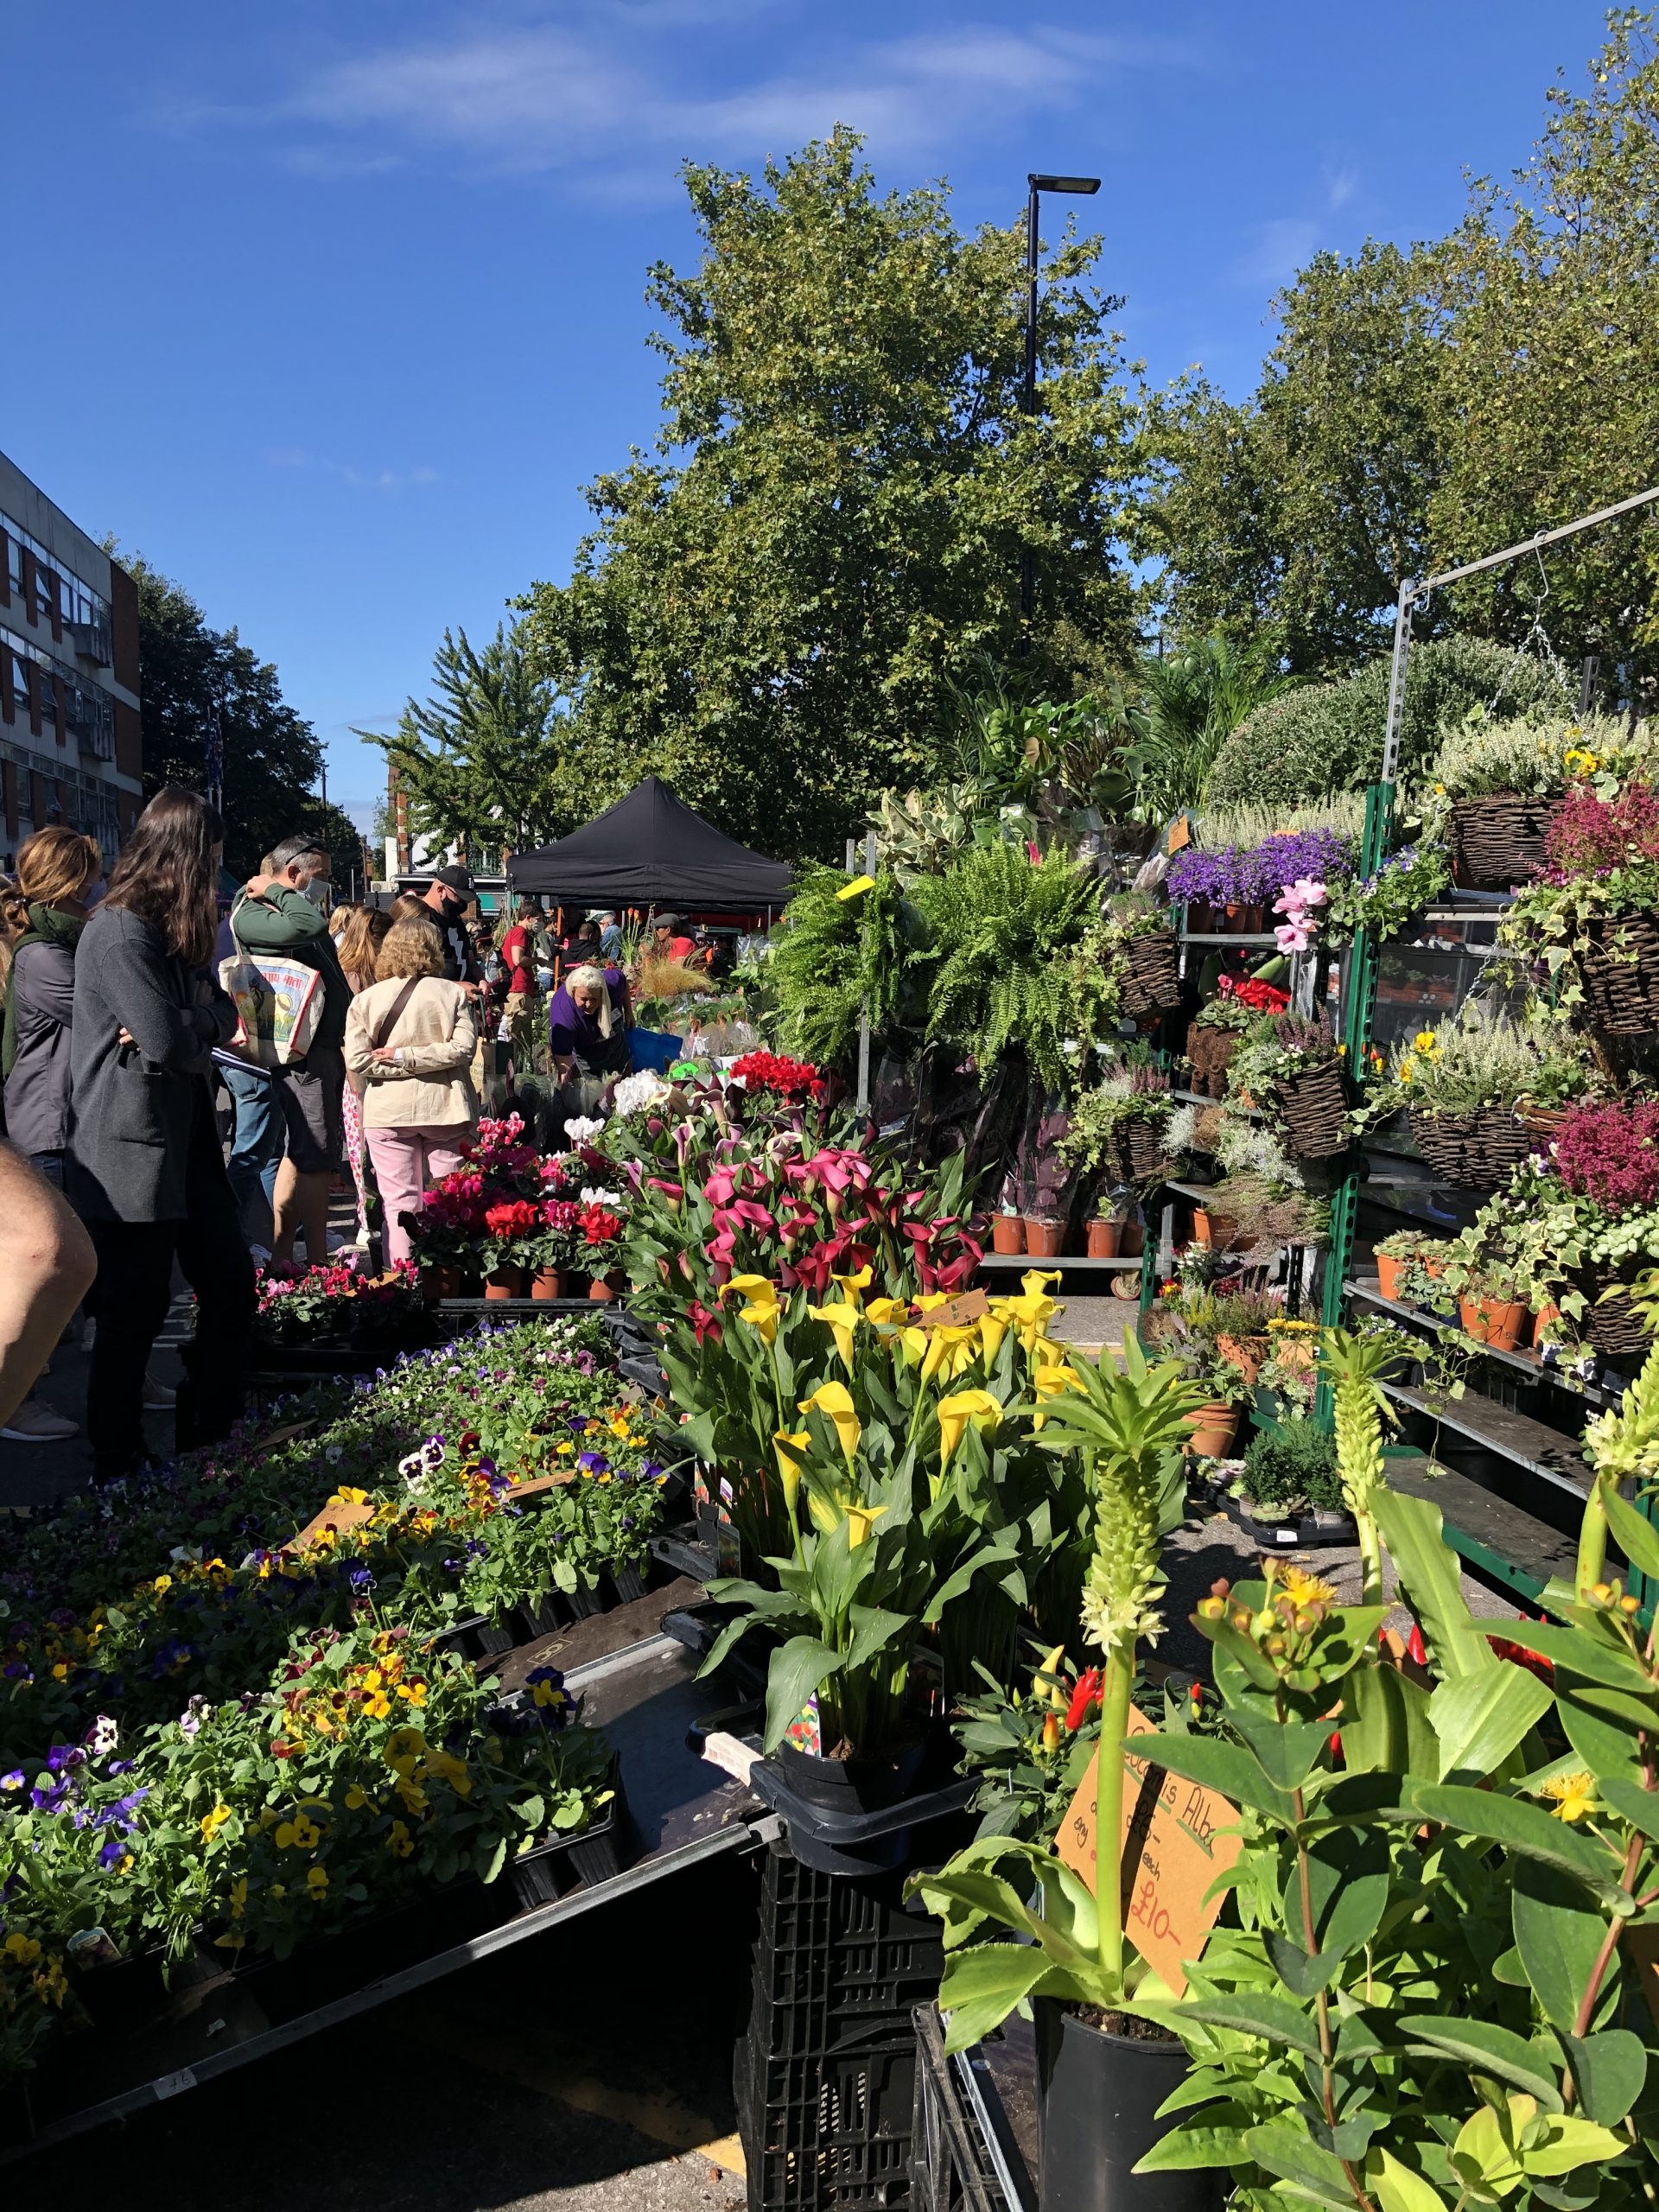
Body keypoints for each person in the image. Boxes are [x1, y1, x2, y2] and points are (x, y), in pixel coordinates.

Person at [67, 785, 254, 1479]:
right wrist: (192, 1021)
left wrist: (192, 1019)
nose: (213, 873)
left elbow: (224, 1020)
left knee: (230, 1281)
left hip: (184, 1138)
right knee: (134, 1312)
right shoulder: (118, 930)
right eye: (208, 858)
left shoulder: (171, 932)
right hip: (127, 1146)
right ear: (182, 854)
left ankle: (214, 1431)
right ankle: (116, 1461)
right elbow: (168, 1041)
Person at [0, 827, 105, 1443]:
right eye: (91, 873)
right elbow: (105, 1012)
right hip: (45, 1124)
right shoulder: (44, 954)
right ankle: (20, 1398)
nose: (99, 885)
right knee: (39, 1267)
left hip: (66, 1120)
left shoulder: (59, 944)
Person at [232, 834, 353, 1274]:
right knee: (317, 1156)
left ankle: (284, 1255)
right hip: (300, 1053)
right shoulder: (259, 913)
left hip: (315, 1047)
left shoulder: (287, 906)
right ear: (294, 872)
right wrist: (276, 890)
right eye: (317, 877)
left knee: (298, 1153)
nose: (322, 888)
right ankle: (318, 1263)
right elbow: (308, 927)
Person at [341, 918, 478, 1269]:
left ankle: (404, 1280)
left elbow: (357, 1059)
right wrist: (416, 1059)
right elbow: (463, 1050)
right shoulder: (452, 994)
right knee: (446, 1198)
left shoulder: (366, 1000)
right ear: (434, 950)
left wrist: (399, 1059)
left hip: (388, 1111)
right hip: (444, 1107)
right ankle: (447, 1274)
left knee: (398, 1202)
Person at [0, 1141, 97, 1433]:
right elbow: (41, 1247)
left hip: (57, 1135)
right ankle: (21, 1404)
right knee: (47, 1249)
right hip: (43, 1133)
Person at [334, 906, 392, 1253]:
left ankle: (368, 1217)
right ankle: (369, 1217)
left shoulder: (346, 971)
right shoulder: (353, 975)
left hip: (360, 1070)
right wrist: (356, 1081)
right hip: (361, 1071)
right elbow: (347, 1037)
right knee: (366, 1149)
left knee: (363, 1151)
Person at [547, 960, 631, 1133]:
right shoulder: (564, 1015)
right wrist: (569, 1100)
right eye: (583, 999)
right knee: (597, 1100)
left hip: (615, 1044)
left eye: (594, 999)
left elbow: (624, 985)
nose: (589, 1004)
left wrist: (628, 1012)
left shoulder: (611, 982)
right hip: (587, 1056)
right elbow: (565, 1069)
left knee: (625, 1089)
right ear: (572, 993)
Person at [419, 865, 483, 989]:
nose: (463, 905)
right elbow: (414, 975)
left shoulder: (456, 920)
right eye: (458, 897)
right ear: (441, 891)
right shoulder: (420, 919)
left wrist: (481, 980)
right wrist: (455, 987)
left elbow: (469, 959)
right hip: (435, 1003)